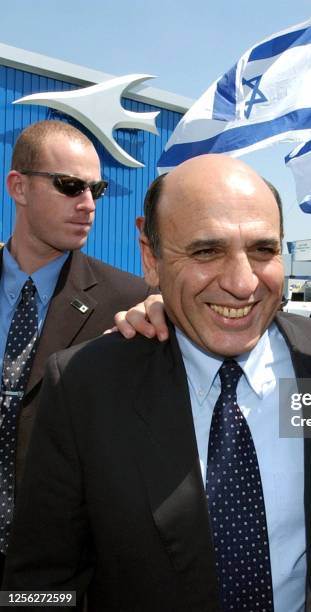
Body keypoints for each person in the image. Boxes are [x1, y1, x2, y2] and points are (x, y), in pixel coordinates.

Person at [4, 154, 311, 611]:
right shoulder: (85, 386)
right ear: (151, 257)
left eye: (263, 250)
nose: (242, 282)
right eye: (206, 251)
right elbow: (36, 586)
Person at [0, 120, 151, 579]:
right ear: (19, 187)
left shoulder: (131, 303)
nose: (88, 205)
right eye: (69, 186)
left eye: (96, 190)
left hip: (58, 574)